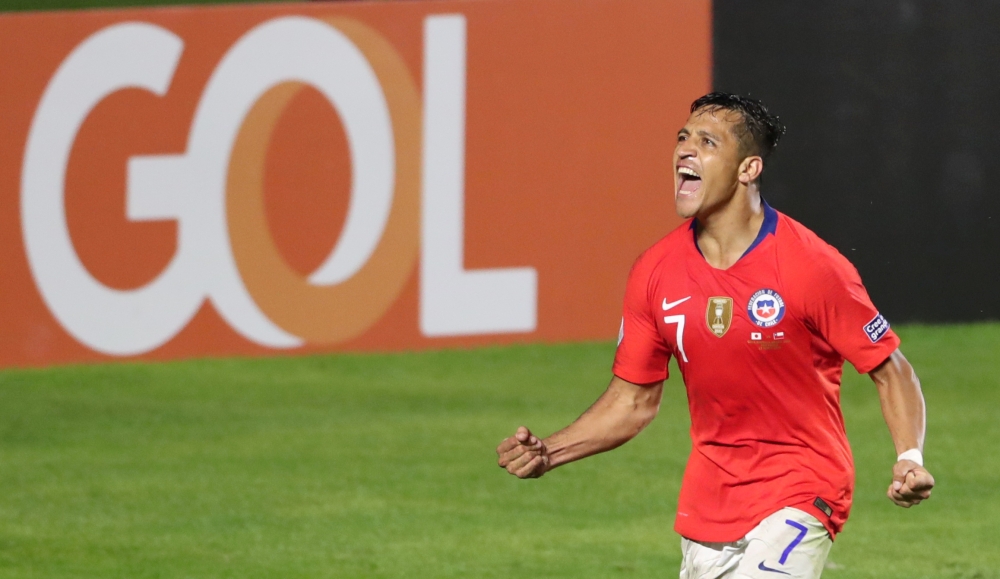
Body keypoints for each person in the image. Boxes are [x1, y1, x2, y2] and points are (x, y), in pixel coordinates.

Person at [496, 92, 934, 578]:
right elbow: (632, 402)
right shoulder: (655, 272)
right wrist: (550, 452)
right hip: (711, 502)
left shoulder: (811, 267)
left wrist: (908, 457)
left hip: (802, 489)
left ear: (748, 169)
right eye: (683, 138)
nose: (685, 150)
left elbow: (889, 368)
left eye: (707, 142)